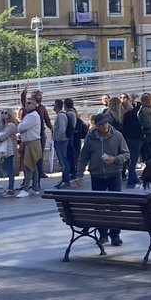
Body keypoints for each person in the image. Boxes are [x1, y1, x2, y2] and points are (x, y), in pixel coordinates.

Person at [73, 111, 130, 245]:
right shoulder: (90, 137)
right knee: (100, 206)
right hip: (97, 175)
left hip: (113, 174)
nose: (104, 126)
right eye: (101, 124)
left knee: (115, 205)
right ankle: (103, 234)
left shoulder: (117, 135)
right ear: (96, 126)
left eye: (105, 123)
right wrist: (79, 174)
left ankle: (115, 235)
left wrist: (115, 159)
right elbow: (84, 156)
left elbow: (126, 153)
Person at [16, 104, 44, 196]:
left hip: (31, 143)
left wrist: (20, 126)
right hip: (30, 142)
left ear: (34, 105)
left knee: (28, 166)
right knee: (33, 165)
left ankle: (26, 189)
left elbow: (21, 128)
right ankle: (35, 187)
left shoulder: (32, 116)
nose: (27, 105)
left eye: (29, 103)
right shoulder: (30, 115)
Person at [0, 110, 18, 195]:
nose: (3, 114)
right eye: (2, 112)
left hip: (9, 150)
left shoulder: (11, 125)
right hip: (5, 149)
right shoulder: (4, 126)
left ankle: (11, 188)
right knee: (6, 168)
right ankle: (10, 187)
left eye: (6, 112)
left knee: (9, 169)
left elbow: (3, 137)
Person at [52, 100, 74, 188]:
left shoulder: (61, 116)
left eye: (54, 105)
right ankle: (64, 180)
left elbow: (62, 129)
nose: (53, 107)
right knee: (63, 162)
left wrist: (57, 139)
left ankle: (66, 181)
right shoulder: (61, 115)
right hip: (61, 141)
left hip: (62, 142)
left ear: (57, 106)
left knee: (64, 162)